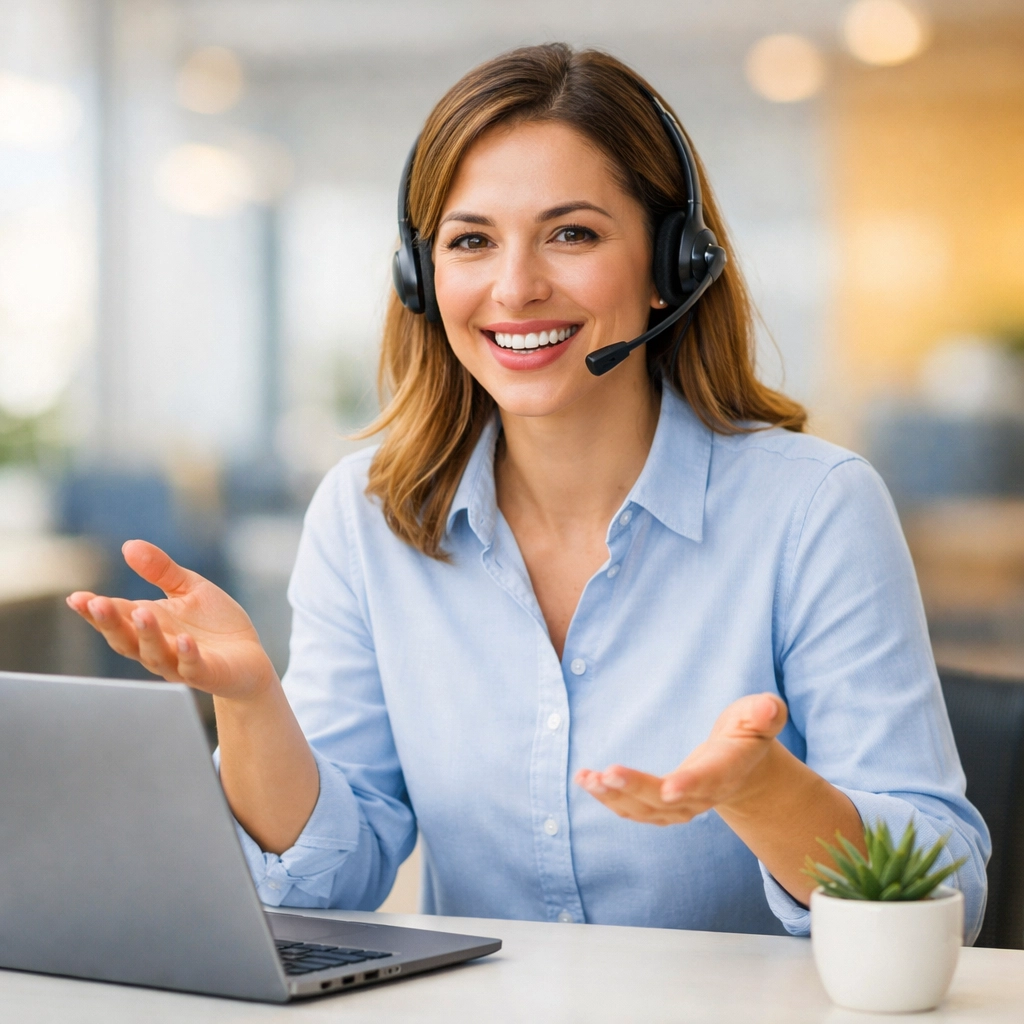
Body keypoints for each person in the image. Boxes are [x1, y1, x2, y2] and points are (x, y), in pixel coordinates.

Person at [68, 43, 988, 939]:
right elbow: (326, 881)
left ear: (674, 266)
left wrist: (765, 794)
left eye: (572, 233)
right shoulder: (369, 515)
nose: (515, 287)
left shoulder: (813, 507)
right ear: (423, 280)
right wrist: (253, 703)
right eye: (471, 241)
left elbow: (947, 888)